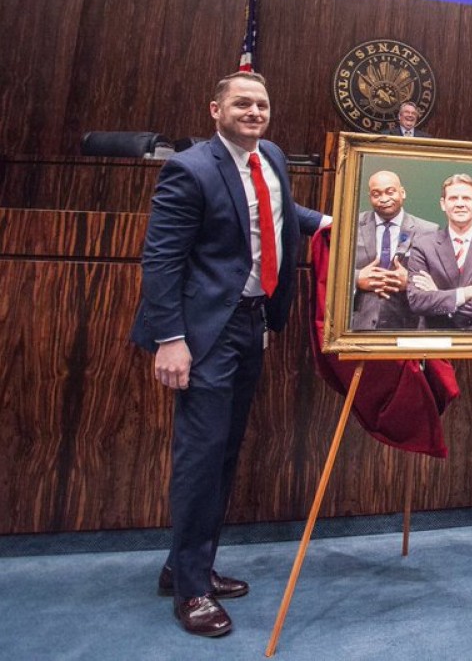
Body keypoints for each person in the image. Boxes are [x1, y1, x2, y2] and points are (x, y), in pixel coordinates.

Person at [131, 72, 327, 637]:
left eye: (262, 103)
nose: (254, 111)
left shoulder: (271, 156)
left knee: (224, 452)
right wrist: (171, 340)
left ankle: (186, 565)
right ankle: (191, 589)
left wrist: (329, 225)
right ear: (215, 108)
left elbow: (282, 213)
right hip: (203, 334)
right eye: (242, 103)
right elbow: (161, 261)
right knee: (201, 454)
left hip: (252, 323)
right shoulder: (188, 170)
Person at [405, 173, 472, 330]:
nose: (460, 204)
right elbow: (417, 302)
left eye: (466, 198)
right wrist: (466, 293)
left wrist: (439, 295)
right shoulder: (422, 246)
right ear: (443, 204)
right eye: (453, 198)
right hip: (435, 342)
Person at [351, 169, 438, 330]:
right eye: (376, 194)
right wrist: (356, 278)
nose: (384, 199)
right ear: (370, 197)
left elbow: (441, 280)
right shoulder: (351, 225)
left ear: (402, 193)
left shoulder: (429, 231)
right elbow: (332, 271)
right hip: (358, 325)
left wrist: (412, 281)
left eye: (390, 192)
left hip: (408, 326)